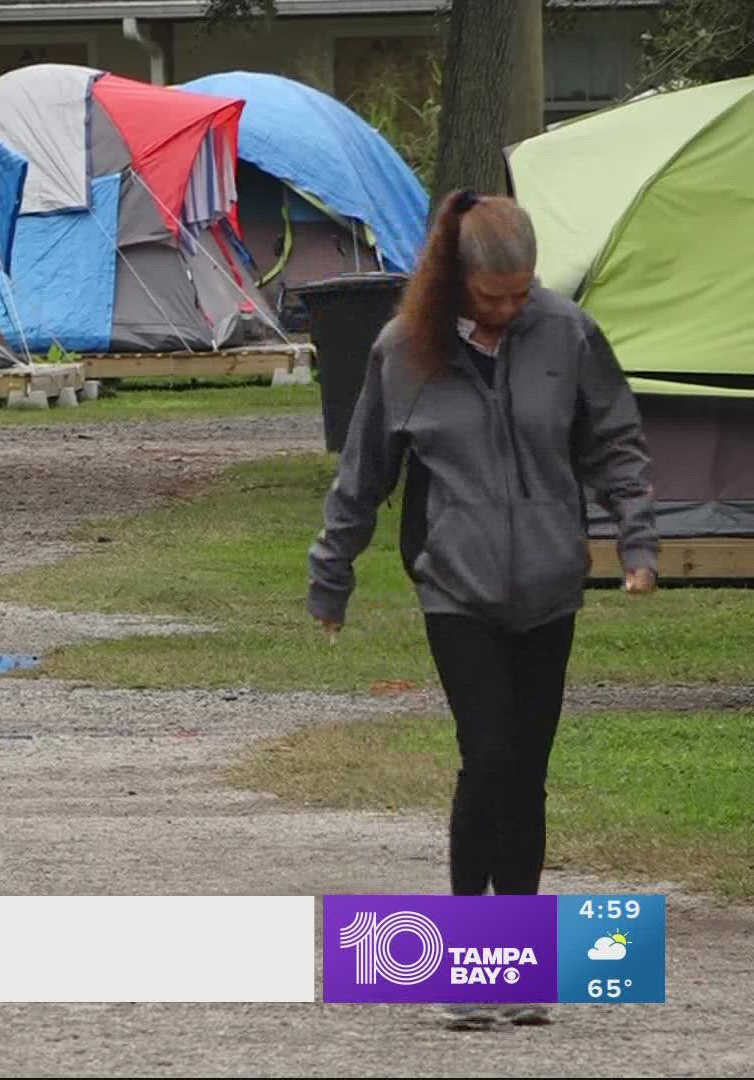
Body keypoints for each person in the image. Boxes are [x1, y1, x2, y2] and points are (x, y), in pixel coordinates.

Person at [305, 191, 658, 1030]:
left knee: (526, 772)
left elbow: (616, 438)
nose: (508, 309)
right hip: (455, 587)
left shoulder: (566, 333)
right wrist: (332, 577)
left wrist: (637, 545)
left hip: (548, 585)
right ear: (455, 281)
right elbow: (363, 475)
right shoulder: (404, 350)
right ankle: (468, 965)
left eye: (521, 294)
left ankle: (519, 966)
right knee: (488, 755)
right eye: (492, 296)